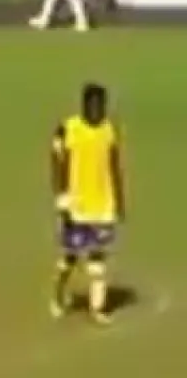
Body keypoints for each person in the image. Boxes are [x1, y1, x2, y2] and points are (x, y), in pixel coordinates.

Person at [51, 83, 123, 325]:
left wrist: (119, 199)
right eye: (93, 105)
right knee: (70, 258)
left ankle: (97, 309)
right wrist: (61, 196)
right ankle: (58, 294)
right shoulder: (68, 129)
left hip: (102, 205)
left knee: (97, 260)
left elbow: (114, 163)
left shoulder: (108, 130)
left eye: (101, 105)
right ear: (84, 105)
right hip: (77, 205)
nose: (97, 110)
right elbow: (58, 161)